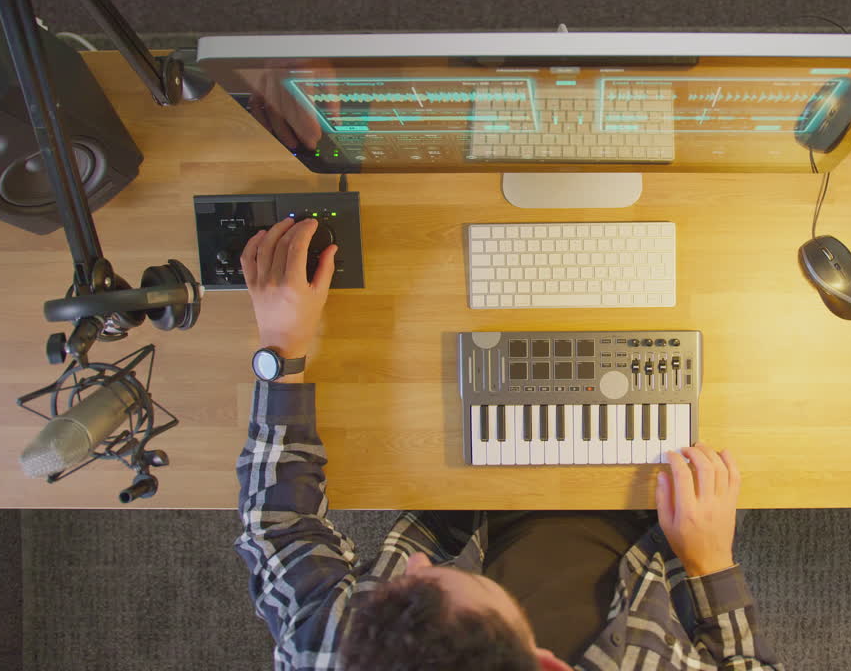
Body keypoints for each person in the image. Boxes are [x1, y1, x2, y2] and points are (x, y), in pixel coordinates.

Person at [235, 217, 783, 670]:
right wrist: (710, 560)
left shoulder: (342, 650)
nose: (413, 563)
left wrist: (282, 347)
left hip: (469, 507)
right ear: (546, 664)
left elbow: (278, 526)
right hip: (650, 527)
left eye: (399, 588)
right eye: (431, 584)